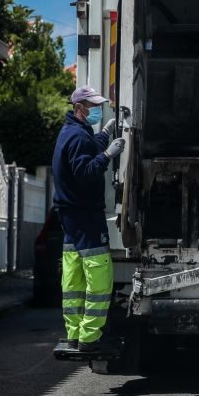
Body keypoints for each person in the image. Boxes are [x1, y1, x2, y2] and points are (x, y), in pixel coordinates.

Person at [52, 85, 126, 355]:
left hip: (70, 215)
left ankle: (74, 335)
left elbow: (86, 149)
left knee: (73, 277)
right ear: (80, 108)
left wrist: (105, 135)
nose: (97, 110)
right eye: (93, 106)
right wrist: (108, 156)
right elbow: (84, 172)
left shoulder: (70, 132)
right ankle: (90, 338)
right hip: (85, 214)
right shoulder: (78, 137)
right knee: (99, 275)